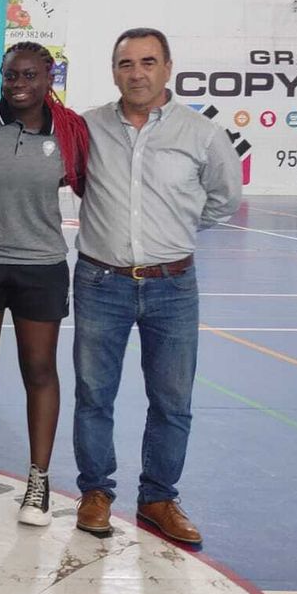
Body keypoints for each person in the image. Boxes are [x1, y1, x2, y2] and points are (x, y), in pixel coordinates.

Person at [73, 28, 241, 548]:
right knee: (94, 395)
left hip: (173, 283)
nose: (137, 73)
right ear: (114, 70)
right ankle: (96, 493)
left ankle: (158, 498)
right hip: (101, 280)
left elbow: (223, 199)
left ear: (168, 67)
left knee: (172, 400)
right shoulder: (89, 127)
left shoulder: (202, 134)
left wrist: (173, 235)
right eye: (126, 63)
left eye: (148, 62)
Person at [0, 43, 89, 526]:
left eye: (29, 75)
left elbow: (92, 183)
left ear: (50, 78)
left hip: (41, 265)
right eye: (10, 76)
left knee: (39, 369)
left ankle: (38, 481)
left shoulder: (68, 132)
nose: (18, 83)